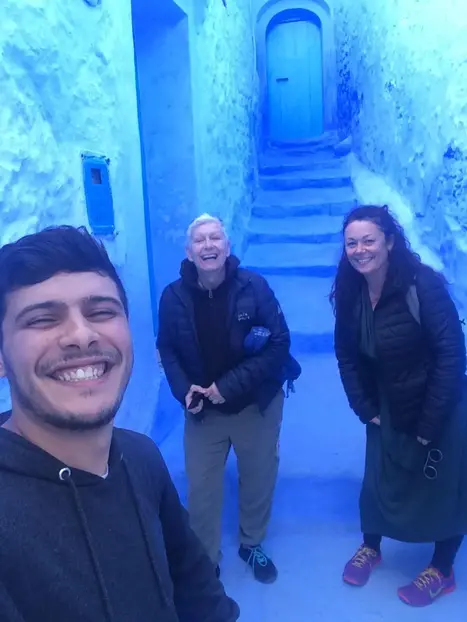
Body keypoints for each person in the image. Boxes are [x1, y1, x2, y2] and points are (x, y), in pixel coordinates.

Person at [0, 225, 239, 622]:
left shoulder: (141, 456)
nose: (82, 335)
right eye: (42, 319)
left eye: (101, 312)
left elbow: (200, 596)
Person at [330, 204, 467, 607]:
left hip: (438, 404)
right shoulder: (351, 290)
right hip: (386, 405)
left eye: (368, 240)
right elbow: (346, 354)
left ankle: (442, 569)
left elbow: (451, 356)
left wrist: (429, 422)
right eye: (351, 243)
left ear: (389, 242)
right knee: (378, 481)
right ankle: (371, 547)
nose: (360, 250)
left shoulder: (423, 285)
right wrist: (363, 405)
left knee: (444, 486)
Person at [157, 213, 298, 584]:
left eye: (215, 237)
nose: (208, 245)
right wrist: (184, 390)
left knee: (258, 477)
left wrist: (227, 387)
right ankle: (205, 559)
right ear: (189, 252)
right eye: (200, 240)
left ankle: (251, 543)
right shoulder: (173, 297)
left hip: (256, 403)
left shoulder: (254, 286)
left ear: (227, 245)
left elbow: (279, 343)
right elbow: (166, 348)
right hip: (204, 411)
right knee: (201, 488)